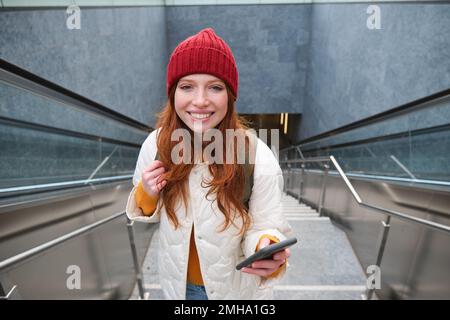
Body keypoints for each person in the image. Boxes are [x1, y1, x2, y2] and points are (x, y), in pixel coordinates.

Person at [126, 27, 293, 300]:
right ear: (173, 94)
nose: (200, 101)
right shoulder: (156, 145)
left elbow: (266, 226)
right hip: (177, 288)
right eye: (187, 86)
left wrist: (267, 246)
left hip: (235, 292)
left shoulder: (256, 154)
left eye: (215, 87)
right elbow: (148, 212)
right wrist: (147, 191)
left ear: (230, 96)